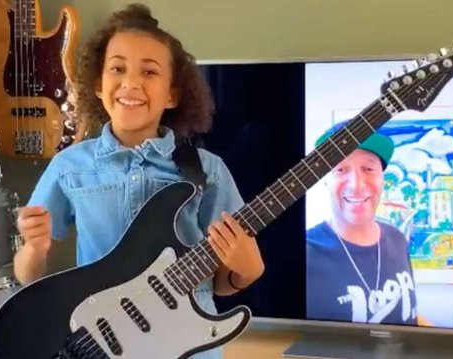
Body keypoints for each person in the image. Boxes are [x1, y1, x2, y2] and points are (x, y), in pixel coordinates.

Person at [13, 4, 264, 358]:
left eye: (149, 72)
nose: (131, 83)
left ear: (172, 95)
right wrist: (33, 248)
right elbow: (28, 276)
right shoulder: (69, 167)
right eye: (117, 68)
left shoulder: (208, 171)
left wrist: (246, 271)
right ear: (98, 84)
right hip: (100, 345)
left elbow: (222, 286)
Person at [306, 120, 418, 326]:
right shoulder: (305, 252)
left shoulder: (398, 239)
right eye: (340, 169)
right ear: (325, 179)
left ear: (382, 177)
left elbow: (410, 317)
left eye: (368, 168)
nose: (356, 185)